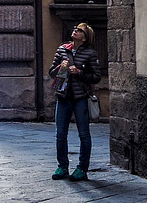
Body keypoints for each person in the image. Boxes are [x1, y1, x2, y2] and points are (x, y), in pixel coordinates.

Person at [48, 23, 101, 182]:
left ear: (85, 37)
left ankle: (82, 169)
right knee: (60, 134)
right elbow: (51, 73)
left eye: (79, 30)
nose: (75, 31)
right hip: (63, 96)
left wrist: (79, 72)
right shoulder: (62, 49)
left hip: (80, 98)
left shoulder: (90, 53)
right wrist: (60, 68)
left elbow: (96, 77)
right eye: (75, 29)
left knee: (84, 134)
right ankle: (62, 166)